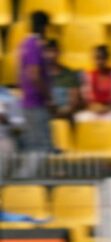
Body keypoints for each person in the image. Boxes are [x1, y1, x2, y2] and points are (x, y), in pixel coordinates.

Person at [18, 10, 52, 153]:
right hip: (37, 102)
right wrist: (48, 96)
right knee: (40, 148)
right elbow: (34, 75)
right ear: (44, 27)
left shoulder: (24, 44)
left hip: (28, 101)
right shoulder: (34, 45)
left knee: (32, 147)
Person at [75, 45, 111, 126]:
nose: (99, 62)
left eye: (102, 58)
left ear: (107, 59)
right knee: (80, 118)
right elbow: (84, 99)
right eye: (96, 58)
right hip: (94, 111)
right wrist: (91, 107)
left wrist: (108, 108)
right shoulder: (89, 76)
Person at [43, 40, 81, 121]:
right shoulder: (40, 76)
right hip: (45, 116)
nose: (51, 55)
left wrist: (61, 112)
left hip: (65, 115)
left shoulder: (69, 74)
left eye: (53, 51)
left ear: (59, 53)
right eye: (48, 51)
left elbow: (74, 102)